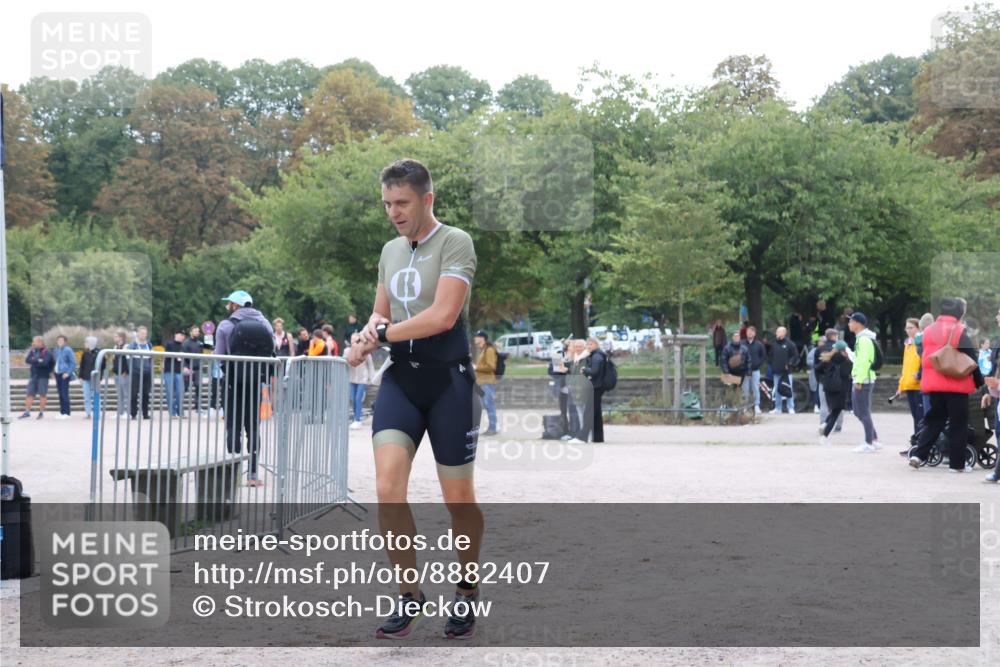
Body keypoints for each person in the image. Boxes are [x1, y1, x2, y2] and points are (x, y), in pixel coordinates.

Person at [345, 159, 482, 639]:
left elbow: (444, 316)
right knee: (387, 490)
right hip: (401, 381)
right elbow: (378, 313)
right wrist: (362, 339)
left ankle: (466, 590)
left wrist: (383, 333)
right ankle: (410, 594)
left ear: (428, 199)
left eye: (402, 203)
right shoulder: (389, 251)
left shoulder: (455, 242)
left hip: (450, 383)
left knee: (458, 499)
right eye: (386, 204)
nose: (393, 212)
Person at [908, 297, 984, 472]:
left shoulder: (928, 331)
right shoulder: (958, 331)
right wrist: (978, 380)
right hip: (956, 384)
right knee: (959, 424)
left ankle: (918, 455)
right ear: (958, 313)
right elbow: (971, 357)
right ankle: (957, 464)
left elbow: (924, 354)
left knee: (934, 420)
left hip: (934, 384)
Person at [215, 290, 274, 488]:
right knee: (253, 427)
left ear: (235, 306)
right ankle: (253, 474)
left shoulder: (225, 326)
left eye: (229, 303)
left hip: (232, 382)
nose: (228, 306)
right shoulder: (265, 324)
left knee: (233, 425)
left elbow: (219, 355)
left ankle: (233, 474)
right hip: (256, 381)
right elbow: (271, 349)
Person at [848, 312, 882, 453]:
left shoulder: (863, 340)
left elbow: (864, 361)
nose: (849, 324)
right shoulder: (862, 339)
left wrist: (859, 380)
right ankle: (873, 439)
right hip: (863, 378)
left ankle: (869, 442)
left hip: (864, 379)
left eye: (851, 321)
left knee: (863, 411)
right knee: (859, 411)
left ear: (858, 324)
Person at [816, 340, 853, 445]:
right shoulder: (847, 361)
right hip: (841, 389)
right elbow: (849, 374)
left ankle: (824, 424)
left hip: (828, 388)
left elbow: (817, 369)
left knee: (833, 410)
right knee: (836, 412)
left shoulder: (827, 358)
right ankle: (824, 436)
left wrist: (823, 379)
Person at [896, 318, 924, 435]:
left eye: (911, 328)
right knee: (915, 417)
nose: (908, 330)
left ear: (918, 328)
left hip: (919, 385)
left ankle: (920, 445)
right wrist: (901, 386)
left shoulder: (921, 343)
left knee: (920, 417)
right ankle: (916, 443)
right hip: (909, 385)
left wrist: (918, 375)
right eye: (906, 328)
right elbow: (905, 367)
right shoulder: (907, 344)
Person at [814, 329, 844, 434]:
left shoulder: (819, 349)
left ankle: (823, 424)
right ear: (834, 336)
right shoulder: (841, 349)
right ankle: (838, 426)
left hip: (824, 380)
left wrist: (819, 379)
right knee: (838, 404)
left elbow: (816, 367)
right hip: (838, 380)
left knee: (824, 405)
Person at [565, 338, 592, 444]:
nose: (578, 348)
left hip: (584, 389)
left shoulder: (586, 358)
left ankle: (587, 435)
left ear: (584, 347)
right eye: (576, 347)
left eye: (580, 346)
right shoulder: (574, 359)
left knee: (586, 413)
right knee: (580, 413)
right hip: (576, 389)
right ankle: (583, 434)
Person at [20, 336, 54, 419]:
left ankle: (41, 413)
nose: (33, 343)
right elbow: (27, 360)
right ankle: (27, 412)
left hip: (43, 376)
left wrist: (34, 360)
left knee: (42, 394)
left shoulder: (47, 352)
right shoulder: (33, 350)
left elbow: (45, 363)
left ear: (40, 342)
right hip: (33, 375)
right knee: (29, 394)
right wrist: (38, 360)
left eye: (34, 342)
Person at [582, 336, 609, 443]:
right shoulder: (597, 355)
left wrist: (584, 370)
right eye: (588, 344)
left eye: (591, 344)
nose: (589, 346)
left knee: (589, 412)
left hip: (595, 387)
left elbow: (594, 371)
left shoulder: (597, 356)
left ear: (596, 345)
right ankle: (598, 438)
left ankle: (583, 436)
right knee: (596, 413)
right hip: (597, 387)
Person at [472, 330, 499, 436]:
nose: (474, 338)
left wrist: (476, 367)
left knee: (489, 405)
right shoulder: (483, 350)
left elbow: (491, 366)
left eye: (476, 337)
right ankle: (492, 427)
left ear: (482, 338)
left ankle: (493, 428)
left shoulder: (489, 350)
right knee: (483, 405)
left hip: (487, 382)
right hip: (481, 383)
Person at [768, 327, 799, 415]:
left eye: (778, 331)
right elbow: (770, 356)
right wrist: (773, 366)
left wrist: (789, 363)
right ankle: (778, 408)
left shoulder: (790, 344)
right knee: (777, 390)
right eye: (776, 331)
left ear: (783, 333)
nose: (776, 333)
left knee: (788, 389)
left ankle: (791, 407)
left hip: (787, 372)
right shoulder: (774, 344)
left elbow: (795, 356)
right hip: (776, 371)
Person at [127, 326, 153, 420]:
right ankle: (133, 413)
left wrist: (150, 368)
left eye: (145, 333)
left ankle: (145, 413)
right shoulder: (133, 345)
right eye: (142, 333)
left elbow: (151, 358)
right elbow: (128, 358)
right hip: (136, 372)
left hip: (147, 372)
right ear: (137, 333)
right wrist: (131, 370)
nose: (144, 335)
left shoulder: (149, 344)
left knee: (146, 394)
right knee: (134, 393)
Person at [347, 344, 375, 429]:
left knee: (358, 398)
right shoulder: (347, 351)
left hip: (362, 379)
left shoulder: (366, 353)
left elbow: (370, 366)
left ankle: (357, 420)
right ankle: (356, 417)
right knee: (352, 398)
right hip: (352, 379)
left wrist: (372, 379)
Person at [548, 340, 571, 436]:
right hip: (563, 388)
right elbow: (552, 371)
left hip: (569, 387)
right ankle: (566, 430)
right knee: (564, 411)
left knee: (571, 411)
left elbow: (559, 372)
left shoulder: (567, 357)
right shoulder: (557, 356)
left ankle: (572, 431)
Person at [182, 325, 206, 415]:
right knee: (184, 388)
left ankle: (198, 407)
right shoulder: (185, 343)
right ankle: (179, 408)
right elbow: (183, 357)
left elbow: (210, 348)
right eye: (195, 331)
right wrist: (184, 367)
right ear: (191, 332)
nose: (197, 332)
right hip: (188, 369)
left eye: (198, 331)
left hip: (198, 369)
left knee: (199, 387)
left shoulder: (200, 343)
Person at [163, 330, 187, 418]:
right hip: (169, 370)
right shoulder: (169, 344)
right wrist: (177, 355)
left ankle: (179, 410)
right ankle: (172, 412)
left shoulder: (183, 346)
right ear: (176, 335)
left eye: (183, 336)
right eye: (181, 335)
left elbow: (186, 359)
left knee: (180, 391)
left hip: (179, 371)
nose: (182, 337)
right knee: (169, 391)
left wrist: (185, 367)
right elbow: (167, 355)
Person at [53, 335, 77, 419]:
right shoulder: (57, 350)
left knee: (64, 393)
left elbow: (73, 363)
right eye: (58, 340)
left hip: (64, 374)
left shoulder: (68, 350)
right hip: (58, 373)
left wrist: (68, 372)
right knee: (60, 393)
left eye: (61, 340)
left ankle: (67, 412)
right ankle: (62, 411)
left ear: (65, 342)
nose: (59, 342)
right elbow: (56, 362)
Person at [744, 326, 766, 414]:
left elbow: (763, 356)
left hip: (755, 370)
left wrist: (758, 364)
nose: (750, 333)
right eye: (748, 332)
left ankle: (756, 405)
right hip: (745, 371)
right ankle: (745, 406)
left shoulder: (759, 344)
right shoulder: (742, 344)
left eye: (752, 332)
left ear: (755, 334)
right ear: (746, 333)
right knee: (745, 389)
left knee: (755, 388)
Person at [78, 336, 100, 419]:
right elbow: (82, 365)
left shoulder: (98, 352)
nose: (85, 344)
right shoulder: (85, 353)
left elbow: (102, 365)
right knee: (87, 396)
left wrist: (99, 377)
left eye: (86, 342)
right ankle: (88, 413)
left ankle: (97, 413)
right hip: (86, 377)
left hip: (95, 377)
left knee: (95, 396)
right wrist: (80, 376)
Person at [110, 331, 130, 418]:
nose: (114, 338)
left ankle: (127, 412)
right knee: (119, 394)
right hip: (116, 373)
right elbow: (114, 360)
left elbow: (128, 360)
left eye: (116, 336)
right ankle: (120, 412)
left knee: (126, 393)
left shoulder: (126, 347)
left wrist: (125, 371)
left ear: (121, 337)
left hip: (124, 373)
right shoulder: (115, 347)